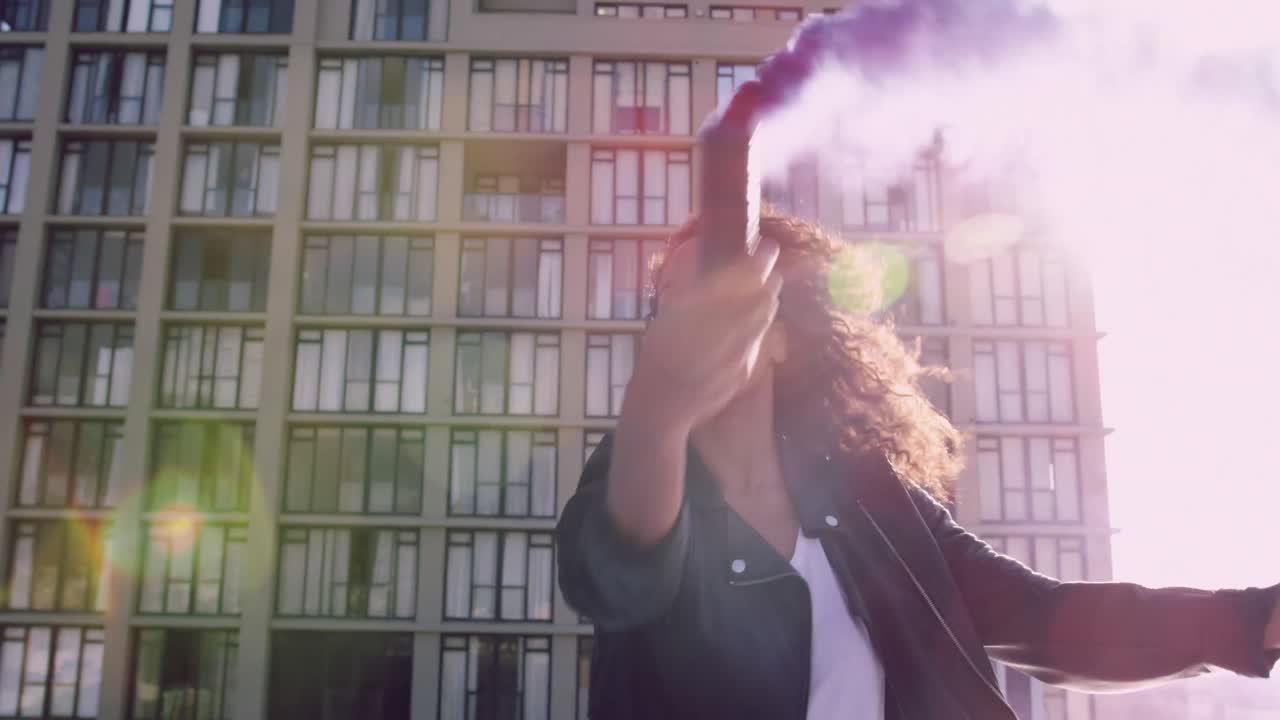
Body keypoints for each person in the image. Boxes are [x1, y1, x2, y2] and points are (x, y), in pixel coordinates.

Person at [556, 211, 1280, 719]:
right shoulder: (636, 469)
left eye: (719, 293)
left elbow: (1045, 619)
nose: (685, 317)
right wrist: (655, 411)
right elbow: (614, 575)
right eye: (668, 302)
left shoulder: (874, 499)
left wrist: (1257, 620)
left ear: (782, 339)